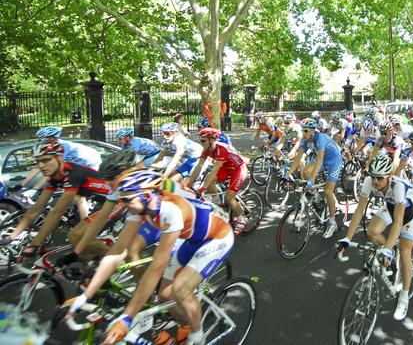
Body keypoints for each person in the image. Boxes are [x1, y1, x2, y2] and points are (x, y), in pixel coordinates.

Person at [87, 169, 233, 345]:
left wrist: (128, 317)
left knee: (180, 288)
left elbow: (157, 266)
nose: (124, 204)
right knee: (164, 295)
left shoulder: (169, 208)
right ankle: (187, 322)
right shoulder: (142, 206)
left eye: (127, 199)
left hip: (218, 236)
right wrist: (86, 295)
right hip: (192, 239)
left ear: (146, 196)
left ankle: (197, 335)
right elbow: (120, 249)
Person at [337, 154, 413, 320]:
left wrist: (387, 249)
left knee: (404, 253)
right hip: (390, 205)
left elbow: (398, 222)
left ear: (389, 177)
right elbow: (359, 211)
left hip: (409, 211)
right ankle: (392, 249)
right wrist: (347, 238)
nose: (375, 182)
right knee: (372, 232)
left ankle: (404, 297)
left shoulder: (397, 186)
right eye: (373, 177)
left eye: (380, 178)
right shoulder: (370, 181)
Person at [0, 142, 111, 255]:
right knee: (81, 252)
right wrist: (10, 238)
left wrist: (35, 244)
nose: (41, 166)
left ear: (58, 158)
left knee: (75, 235)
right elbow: (35, 210)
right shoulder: (55, 176)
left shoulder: (73, 174)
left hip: (115, 202)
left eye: (46, 160)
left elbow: (57, 212)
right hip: (100, 202)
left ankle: (116, 260)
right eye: (38, 162)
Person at [287, 118, 342, 238]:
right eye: (302, 130)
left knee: (328, 191)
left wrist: (312, 179)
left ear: (312, 131)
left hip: (334, 160)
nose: (303, 133)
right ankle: (318, 201)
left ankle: (332, 222)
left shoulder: (321, 138)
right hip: (320, 159)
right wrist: (288, 173)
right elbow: (298, 157)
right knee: (306, 171)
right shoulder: (306, 140)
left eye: (306, 131)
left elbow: (320, 161)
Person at [188, 128, 249, 235]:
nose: (201, 143)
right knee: (208, 179)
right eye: (200, 140)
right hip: (226, 167)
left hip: (238, 169)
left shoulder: (221, 149)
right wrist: (188, 185)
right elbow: (199, 167)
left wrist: (202, 189)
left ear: (212, 140)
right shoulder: (207, 149)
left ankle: (241, 220)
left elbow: (215, 170)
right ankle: (218, 204)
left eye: (203, 141)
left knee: (229, 197)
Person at [16, 126, 103, 190]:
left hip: (91, 161)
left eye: (42, 139)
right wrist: (22, 184)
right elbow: (38, 166)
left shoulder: (62, 147)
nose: (39, 141)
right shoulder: (49, 147)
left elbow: (52, 171)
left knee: (75, 191)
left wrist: (35, 189)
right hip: (80, 161)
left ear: (52, 139)